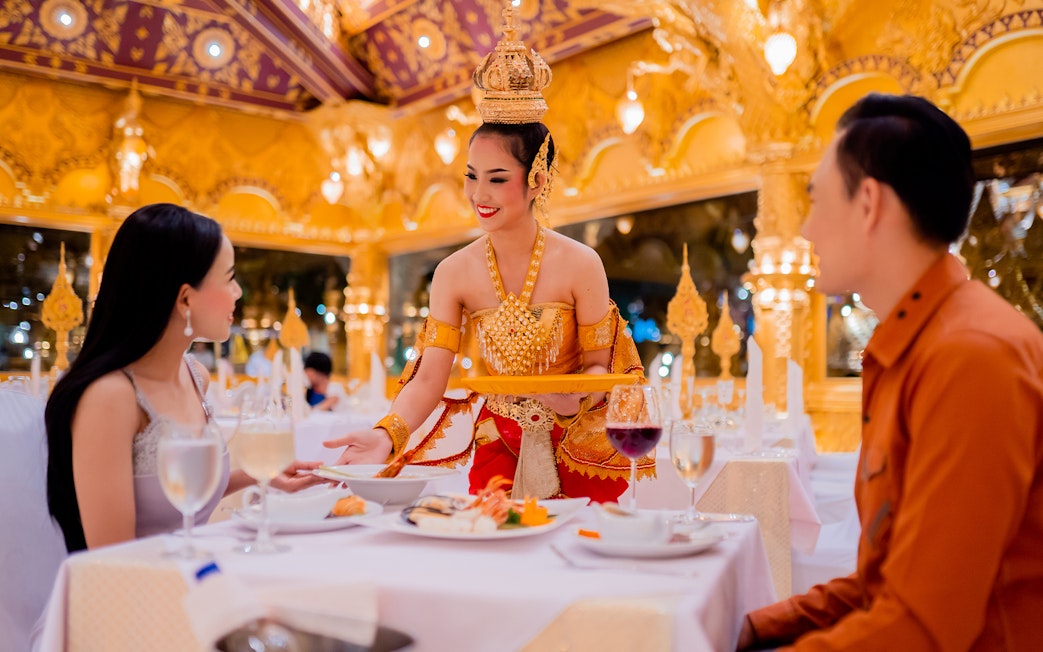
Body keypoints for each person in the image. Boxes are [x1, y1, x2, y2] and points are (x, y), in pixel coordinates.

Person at [738, 94, 1043, 649]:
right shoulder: (917, 345)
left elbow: (922, 626)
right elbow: (886, 583)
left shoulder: (972, 357)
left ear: (869, 203)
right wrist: (753, 628)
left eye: (816, 201)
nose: (805, 231)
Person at [324, 6, 651, 502]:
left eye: (498, 179)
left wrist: (572, 395)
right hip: (497, 443)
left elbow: (600, 371)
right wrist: (387, 432)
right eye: (472, 176)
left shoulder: (581, 264)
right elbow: (431, 376)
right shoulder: (453, 273)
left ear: (537, 179)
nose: (481, 193)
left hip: (575, 442)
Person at [45, 203, 322, 553]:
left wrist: (259, 475)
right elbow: (111, 560)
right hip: (130, 595)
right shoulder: (110, 397)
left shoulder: (195, 375)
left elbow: (179, 492)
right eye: (230, 278)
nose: (238, 293)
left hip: (191, 575)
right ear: (186, 299)